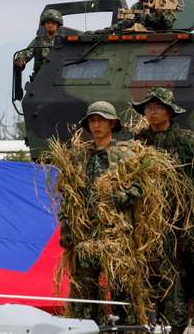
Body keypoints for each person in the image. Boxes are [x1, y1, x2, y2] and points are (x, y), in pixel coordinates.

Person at [132, 87, 194, 333]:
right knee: (156, 273)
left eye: (158, 107)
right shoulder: (139, 142)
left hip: (182, 220)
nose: (152, 112)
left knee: (183, 272)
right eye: (148, 108)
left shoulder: (188, 141)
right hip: (150, 220)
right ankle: (162, 323)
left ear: (170, 112)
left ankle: (180, 322)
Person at [61, 101, 137, 323]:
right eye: (92, 120)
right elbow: (69, 196)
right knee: (84, 293)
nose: (96, 125)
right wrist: (67, 228)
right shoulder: (79, 157)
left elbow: (142, 187)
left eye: (101, 120)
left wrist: (123, 197)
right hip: (85, 236)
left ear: (112, 123)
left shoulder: (125, 155)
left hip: (116, 235)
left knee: (122, 291)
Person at [14, 9, 64, 79]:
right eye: (48, 23)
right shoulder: (38, 42)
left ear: (58, 25)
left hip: (59, 80)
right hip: (40, 81)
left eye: (53, 23)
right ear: (44, 25)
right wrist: (20, 59)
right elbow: (26, 54)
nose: (50, 25)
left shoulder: (63, 42)